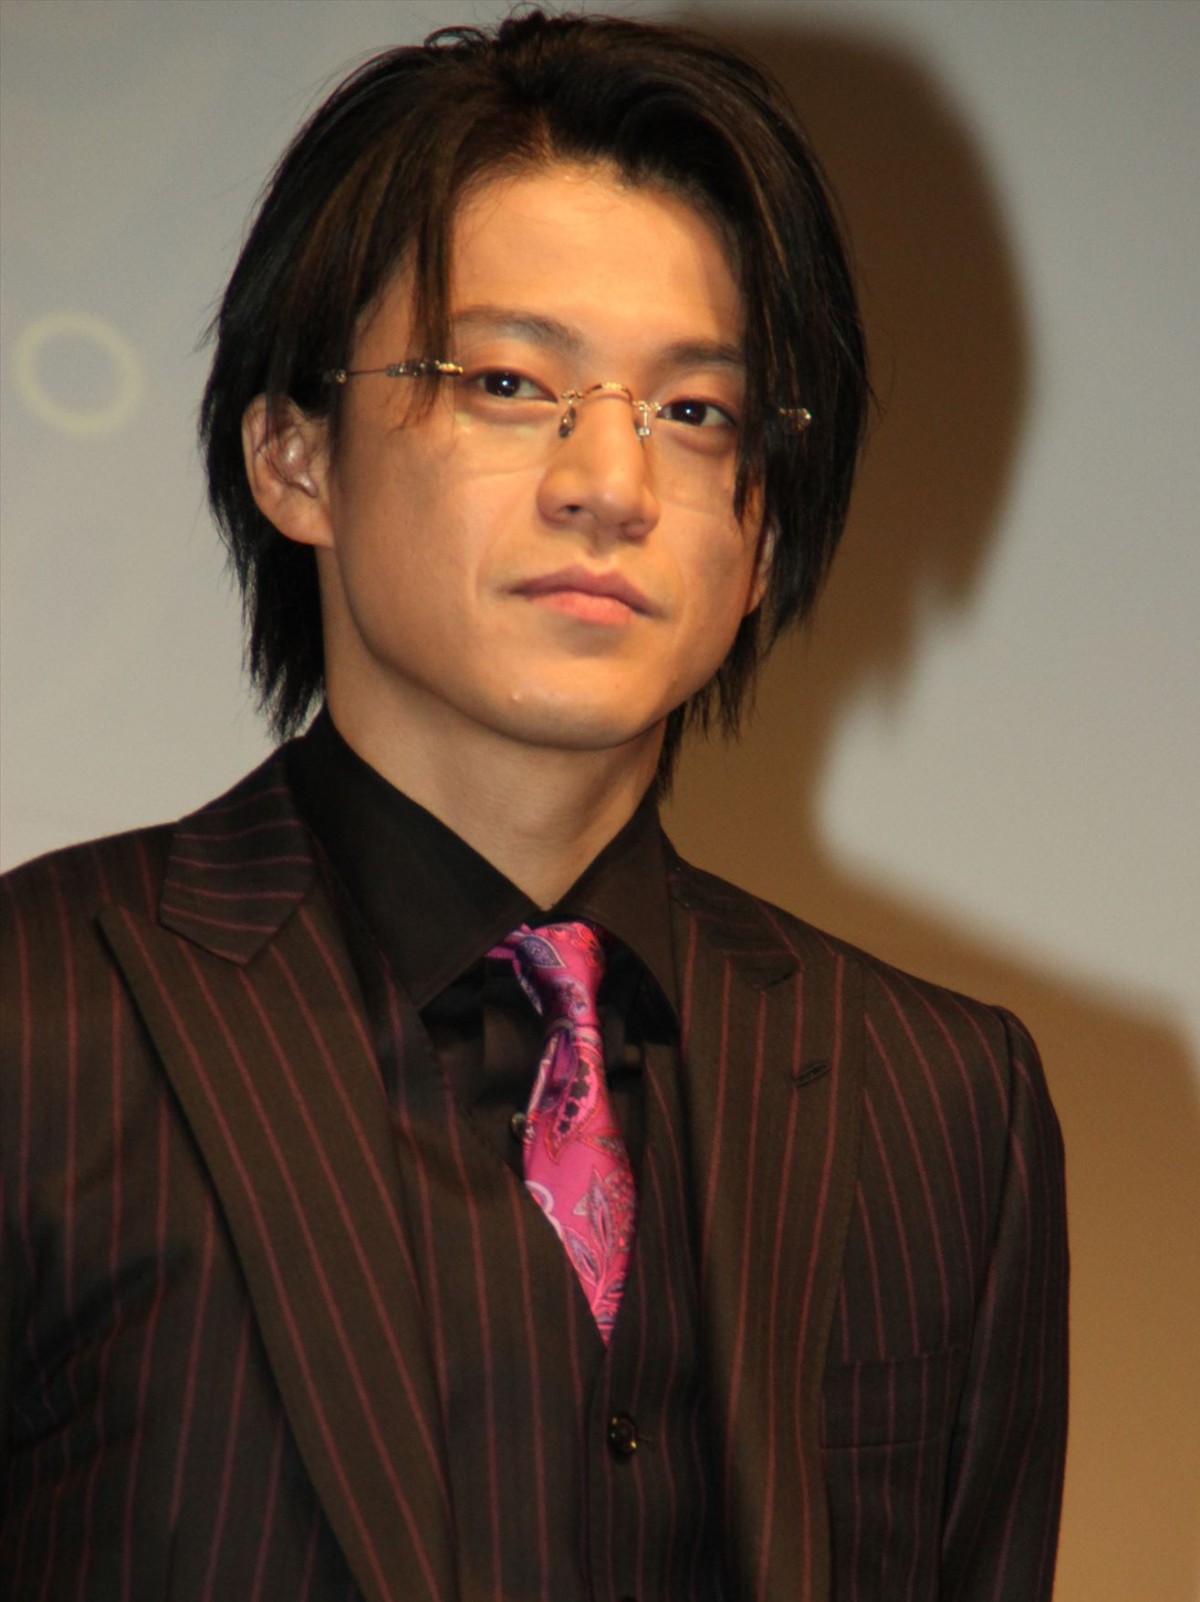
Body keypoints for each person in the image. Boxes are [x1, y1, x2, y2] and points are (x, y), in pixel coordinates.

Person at [0, 11, 1067, 1600]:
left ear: (761, 540)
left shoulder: (942, 1104)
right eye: (509, 381)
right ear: (294, 455)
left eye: (695, 412)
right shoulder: (37, 1016)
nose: (610, 484)